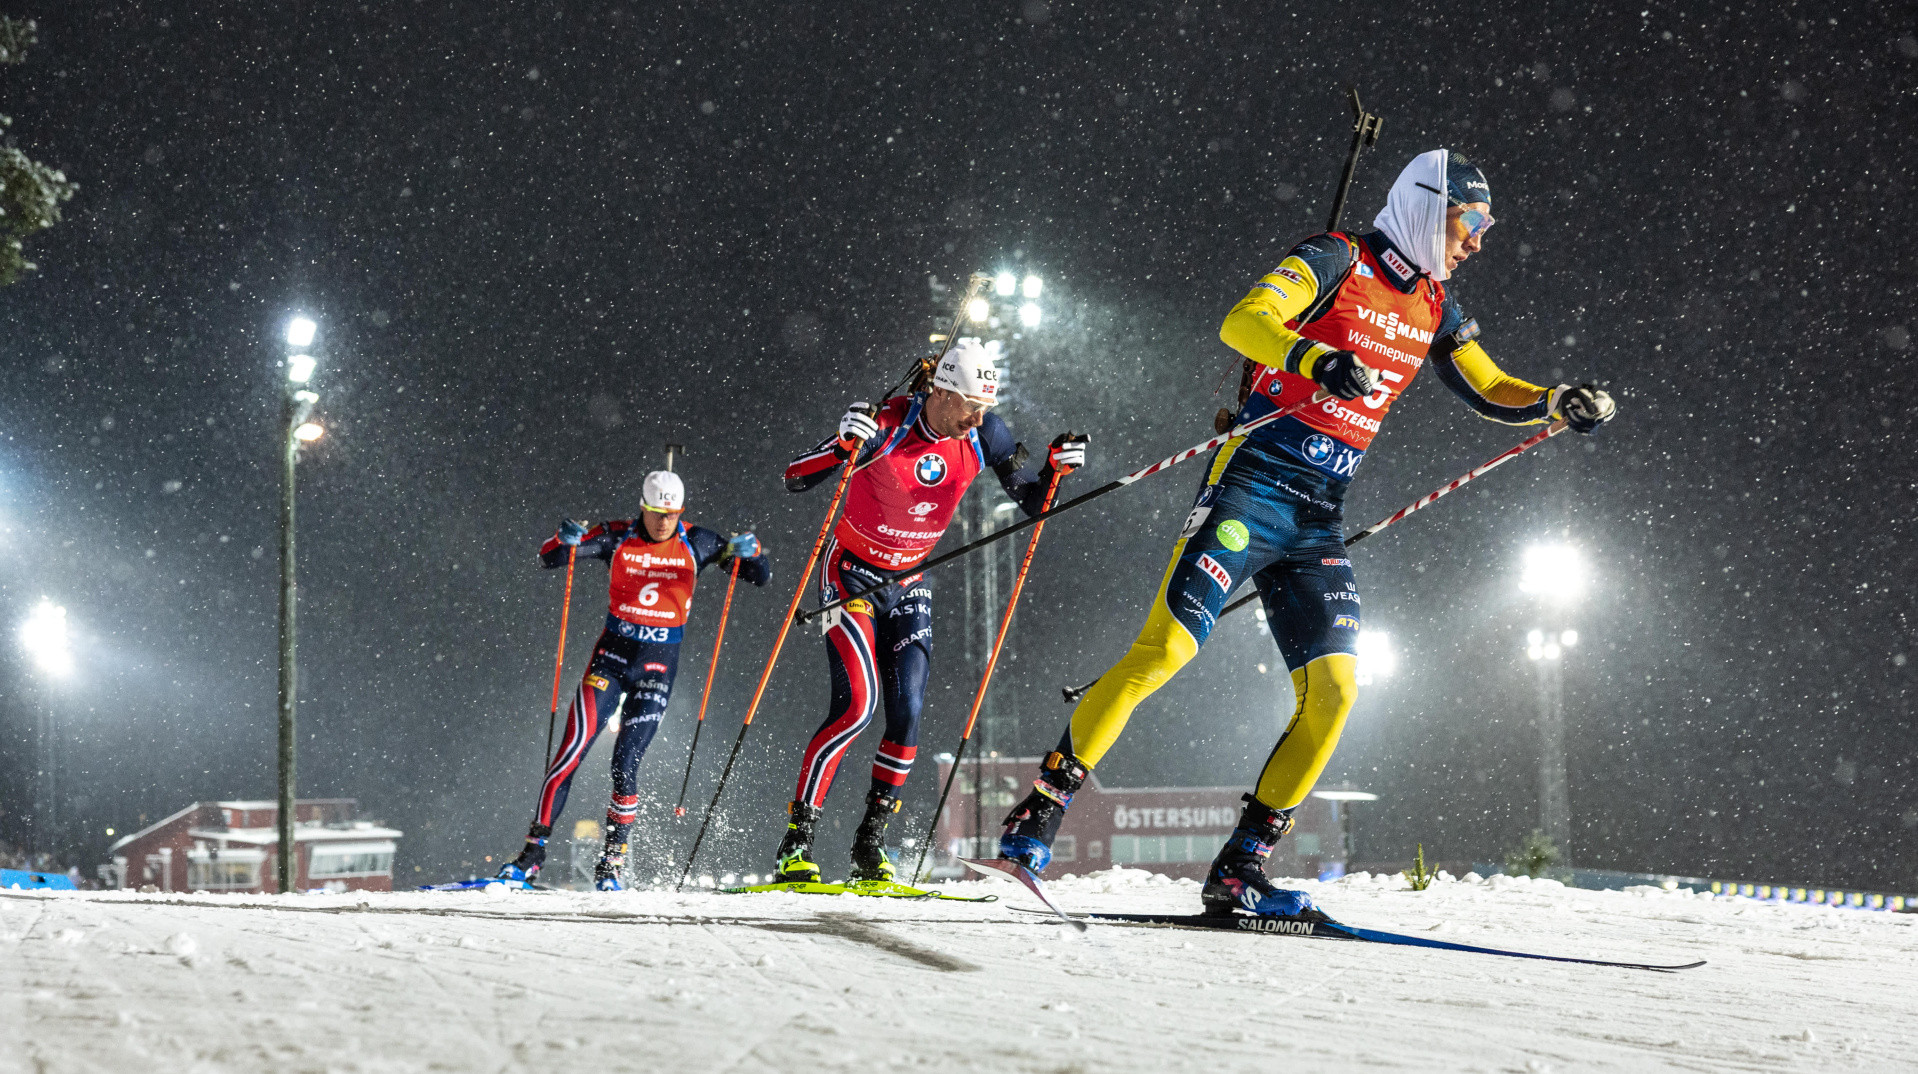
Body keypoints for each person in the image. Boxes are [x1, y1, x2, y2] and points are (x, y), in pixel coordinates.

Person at [998, 150, 1617, 917]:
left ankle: (1240, 870)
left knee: (1336, 690)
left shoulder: (1436, 304)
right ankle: (1039, 814)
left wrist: (1557, 399)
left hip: (1319, 516)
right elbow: (1242, 322)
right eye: (1471, 221)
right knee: (1166, 650)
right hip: (1251, 487)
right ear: (1430, 208)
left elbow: (1489, 385)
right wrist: (1315, 358)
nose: (1479, 240)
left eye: (1486, 225)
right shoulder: (1334, 259)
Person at [773, 339, 1088, 883]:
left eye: (985, 407)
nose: (979, 418)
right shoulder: (888, 424)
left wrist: (1056, 470)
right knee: (857, 707)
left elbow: (1035, 504)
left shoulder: (986, 435)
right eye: (970, 405)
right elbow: (795, 477)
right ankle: (796, 843)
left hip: (909, 580)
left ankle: (870, 845)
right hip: (850, 574)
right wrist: (842, 444)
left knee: (908, 714)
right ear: (941, 392)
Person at [497, 470, 771, 890]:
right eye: (657, 512)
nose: (664, 521)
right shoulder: (617, 536)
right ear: (643, 507)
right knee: (570, 752)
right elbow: (551, 558)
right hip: (610, 662)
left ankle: (611, 865)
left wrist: (753, 554)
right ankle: (531, 856)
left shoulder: (699, 542)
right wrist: (562, 540)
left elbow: (759, 576)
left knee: (625, 765)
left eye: (672, 514)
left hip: (656, 671)